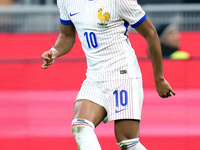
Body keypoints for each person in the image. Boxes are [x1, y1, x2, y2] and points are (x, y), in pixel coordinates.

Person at [41, 0, 176, 149]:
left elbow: (151, 33)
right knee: (81, 126)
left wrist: (159, 78)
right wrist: (54, 51)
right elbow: (67, 36)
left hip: (122, 74)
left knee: (128, 142)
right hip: (94, 75)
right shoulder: (66, 1)